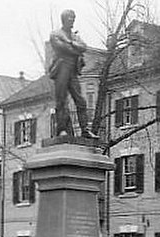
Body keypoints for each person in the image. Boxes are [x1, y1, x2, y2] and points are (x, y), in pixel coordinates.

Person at [49, 9, 99, 140]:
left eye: (73, 18)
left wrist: (71, 43)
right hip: (61, 68)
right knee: (61, 100)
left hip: (73, 70)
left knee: (81, 101)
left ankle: (85, 130)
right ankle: (62, 130)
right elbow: (61, 47)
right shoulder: (56, 33)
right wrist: (74, 48)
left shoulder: (74, 36)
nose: (72, 20)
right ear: (64, 19)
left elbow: (83, 47)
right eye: (70, 18)